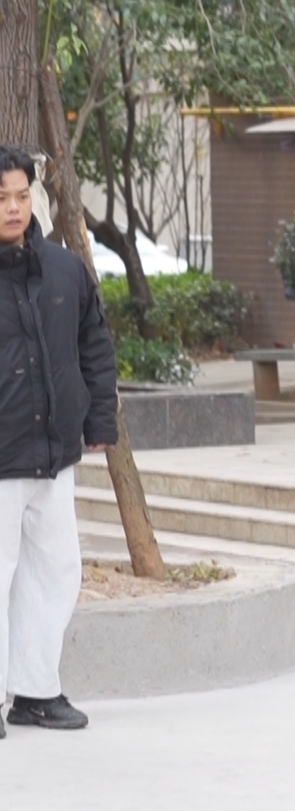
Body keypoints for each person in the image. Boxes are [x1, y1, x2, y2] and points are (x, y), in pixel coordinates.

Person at [0, 146, 117, 735]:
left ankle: (36, 691)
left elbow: (94, 344)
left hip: (53, 452)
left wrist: (100, 422)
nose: (13, 207)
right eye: (2, 198)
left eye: (22, 195)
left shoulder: (66, 270)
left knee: (54, 571)